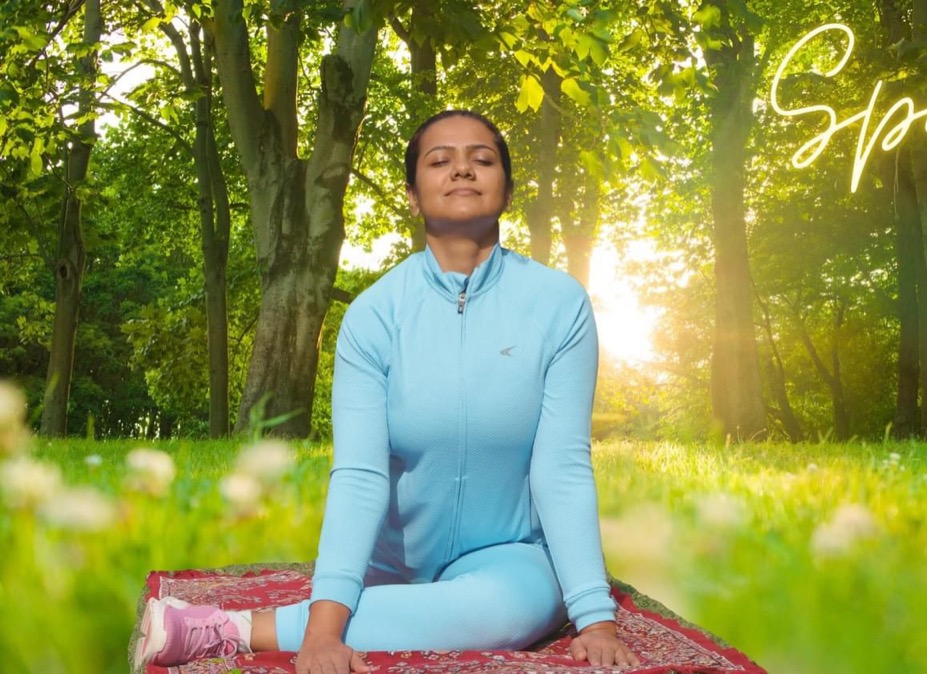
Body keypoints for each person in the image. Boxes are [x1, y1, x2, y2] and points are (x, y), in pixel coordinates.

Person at [137, 110, 640, 672]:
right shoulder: (374, 315)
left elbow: (563, 465)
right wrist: (325, 631)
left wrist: (595, 617)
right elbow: (359, 474)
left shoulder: (560, 304)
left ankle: (236, 628)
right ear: (412, 194)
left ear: (507, 188)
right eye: (440, 160)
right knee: (375, 596)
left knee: (513, 610)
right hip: (395, 561)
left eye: (482, 159)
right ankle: (313, 618)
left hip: (507, 555)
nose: (462, 171)